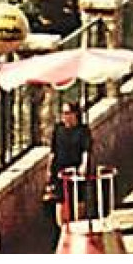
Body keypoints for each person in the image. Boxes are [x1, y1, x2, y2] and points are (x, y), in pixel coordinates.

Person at [44, 100, 92, 242]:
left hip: (76, 172)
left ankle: (79, 235)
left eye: (68, 113)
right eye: (63, 113)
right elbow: (52, 152)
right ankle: (63, 236)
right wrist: (48, 171)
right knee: (60, 204)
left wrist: (83, 165)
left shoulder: (83, 131)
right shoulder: (58, 130)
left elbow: (86, 150)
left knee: (78, 203)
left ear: (75, 114)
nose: (65, 117)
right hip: (60, 171)